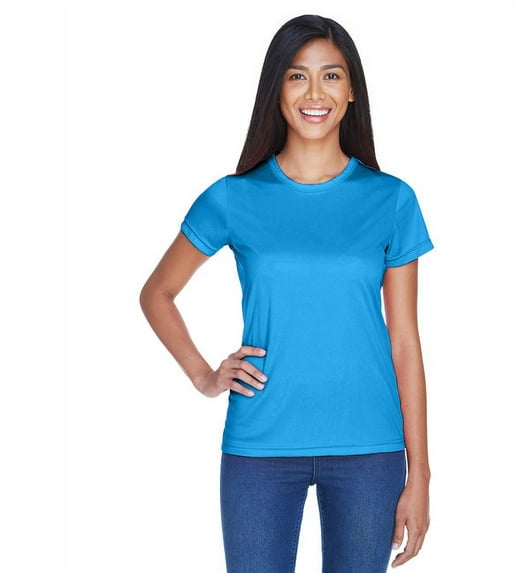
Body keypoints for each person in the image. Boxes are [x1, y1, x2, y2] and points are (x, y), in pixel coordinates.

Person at [140, 14, 433, 573]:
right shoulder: (233, 197)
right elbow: (157, 293)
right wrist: (205, 376)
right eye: (298, 76)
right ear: (276, 90)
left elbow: (405, 345)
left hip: (369, 448)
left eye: (331, 76)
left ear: (351, 91)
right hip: (260, 444)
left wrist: (419, 473)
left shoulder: (392, 200)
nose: (315, 93)